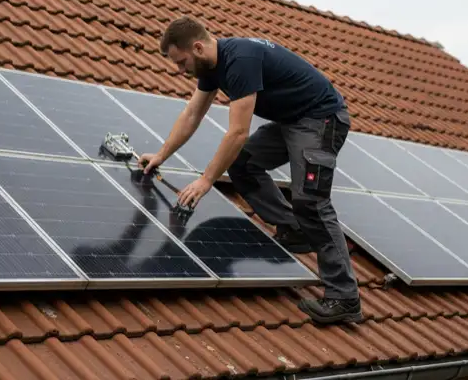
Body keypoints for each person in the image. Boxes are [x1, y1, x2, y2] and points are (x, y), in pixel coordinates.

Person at [138, 16, 362, 325]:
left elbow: (238, 132)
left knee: (311, 201)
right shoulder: (211, 67)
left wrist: (206, 180)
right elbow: (192, 114)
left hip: (321, 120)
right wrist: (161, 155)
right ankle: (294, 229)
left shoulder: (240, 60)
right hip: (291, 121)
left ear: (198, 48)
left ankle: (344, 297)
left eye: (181, 62)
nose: (181, 70)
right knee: (242, 164)